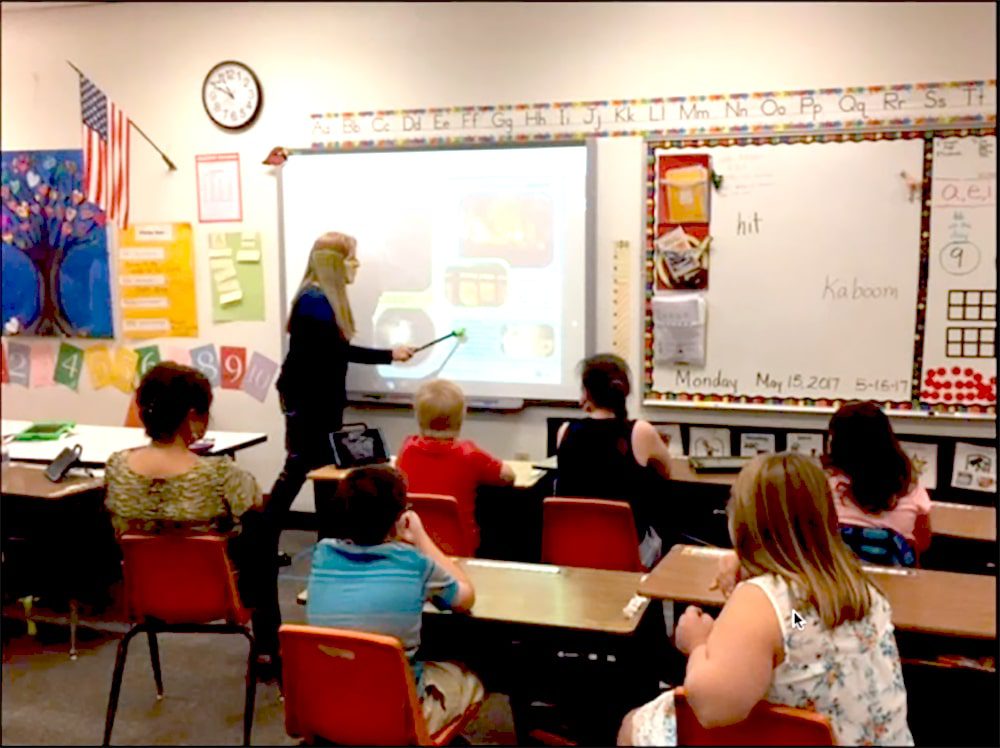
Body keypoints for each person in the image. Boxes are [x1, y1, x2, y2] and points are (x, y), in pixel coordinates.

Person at [618, 453, 913, 746]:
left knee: (634, 724)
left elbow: (711, 709)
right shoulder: (861, 590)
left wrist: (697, 644)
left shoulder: (762, 601)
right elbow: (798, 626)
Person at [104, 363, 276, 668]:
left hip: (145, 598)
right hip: (215, 597)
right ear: (193, 415)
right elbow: (255, 509)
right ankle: (269, 651)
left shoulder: (117, 467)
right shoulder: (220, 474)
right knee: (261, 545)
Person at [306, 465, 484, 735]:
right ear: (400, 517)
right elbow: (465, 598)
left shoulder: (322, 553)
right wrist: (421, 537)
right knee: (473, 677)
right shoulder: (415, 564)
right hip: (398, 717)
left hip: (329, 706)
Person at [269, 231, 415, 536]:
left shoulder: (322, 298)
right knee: (300, 469)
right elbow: (337, 351)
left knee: (323, 470)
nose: (357, 266)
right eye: (352, 259)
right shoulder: (315, 301)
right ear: (335, 263)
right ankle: (261, 535)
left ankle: (324, 536)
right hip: (308, 402)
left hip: (318, 399)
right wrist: (390, 355)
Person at [555, 354, 673, 568]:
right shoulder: (639, 432)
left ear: (586, 394)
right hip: (627, 557)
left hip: (571, 554)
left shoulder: (564, 432)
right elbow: (667, 469)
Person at [396, 379, 514, 553]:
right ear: (461, 416)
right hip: (459, 550)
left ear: (418, 416)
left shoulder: (407, 449)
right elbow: (508, 476)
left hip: (411, 547)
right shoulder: (469, 454)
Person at [823, 401, 932, 554]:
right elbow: (923, 543)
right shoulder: (910, 489)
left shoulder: (824, 487)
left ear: (835, 441)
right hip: (898, 575)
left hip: (839, 574)